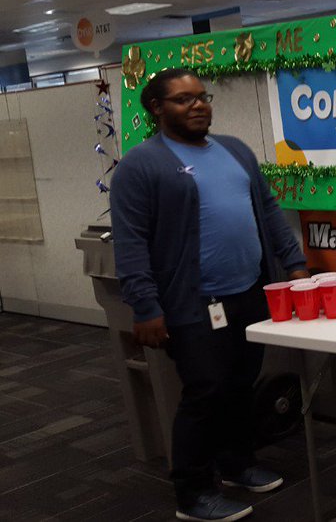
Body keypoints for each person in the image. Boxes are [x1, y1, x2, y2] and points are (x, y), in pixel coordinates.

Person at [112, 68, 309, 522]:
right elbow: (131, 242)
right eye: (183, 100)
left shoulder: (235, 150)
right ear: (157, 109)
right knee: (206, 393)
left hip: (248, 292)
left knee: (241, 384)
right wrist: (145, 306)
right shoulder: (141, 166)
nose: (198, 106)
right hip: (194, 303)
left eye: (202, 97)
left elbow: (268, 209)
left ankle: (237, 464)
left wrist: (293, 262)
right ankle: (193, 492)